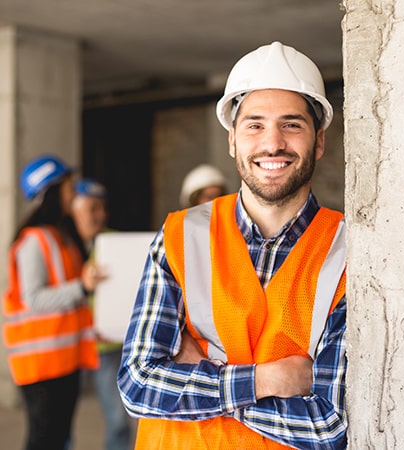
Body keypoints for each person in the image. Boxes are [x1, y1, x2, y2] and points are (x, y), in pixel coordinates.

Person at [117, 41, 347, 449]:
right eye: (254, 124)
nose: (272, 143)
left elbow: (327, 427)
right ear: (233, 141)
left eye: (291, 124)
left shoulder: (348, 251)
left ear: (319, 141)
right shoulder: (180, 235)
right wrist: (265, 380)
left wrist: (201, 374)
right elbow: (138, 386)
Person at [2, 154, 103, 450]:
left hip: (64, 360)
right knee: (43, 440)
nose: (73, 194)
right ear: (52, 191)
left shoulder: (62, 237)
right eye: (68, 187)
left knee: (58, 439)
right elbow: (33, 300)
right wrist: (81, 286)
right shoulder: (34, 241)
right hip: (40, 365)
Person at [72, 179, 132, 450]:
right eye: (93, 209)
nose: (101, 215)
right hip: (68, 344)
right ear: (74, 210)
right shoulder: (62, 244)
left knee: (119, 419)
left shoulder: (114, 242)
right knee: (59, 421)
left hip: (107, 345)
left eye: (102, 208)